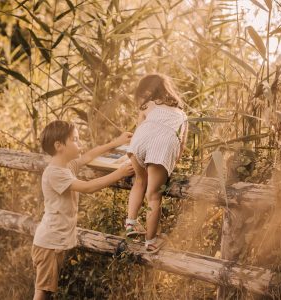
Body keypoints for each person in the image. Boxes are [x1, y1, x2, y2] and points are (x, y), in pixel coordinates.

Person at [32, 120, 134, 300]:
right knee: (42, 291)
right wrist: (120, 173)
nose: (80, 144)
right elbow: (88, 187)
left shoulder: (66, 166)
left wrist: (116, 143)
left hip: (54, 242)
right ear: (59, 146)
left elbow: (87, 156)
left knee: (46, 291)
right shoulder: (55, 173)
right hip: (49, 243)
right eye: (75, 140)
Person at [126, 73, 188, 253]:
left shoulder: (147, 106)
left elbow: (140, 130)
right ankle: (151, 241)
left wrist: (134, 154)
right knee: (154, 195)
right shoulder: (182, 114)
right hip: (163, 145)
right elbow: (181, 144)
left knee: (139, 181)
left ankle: (130, 222)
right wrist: (170, 163)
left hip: (139, 142)